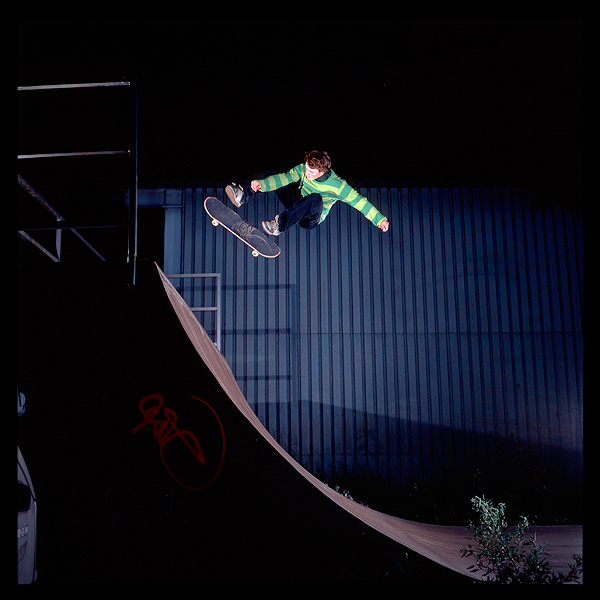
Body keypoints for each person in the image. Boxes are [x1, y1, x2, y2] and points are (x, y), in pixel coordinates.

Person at [225, 150, 390, 236]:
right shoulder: (302, 169)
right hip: (297, 203)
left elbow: (360, 202)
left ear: (322, 171)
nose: (307, 173)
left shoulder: (339, 186)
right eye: (306, 168)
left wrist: (379, 219)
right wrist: (261, 184)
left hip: (311, 217)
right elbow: (285, 178)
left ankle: (279, 225)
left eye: (311, 172)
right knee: (276, 172)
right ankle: (243, 192)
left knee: (316, 199)